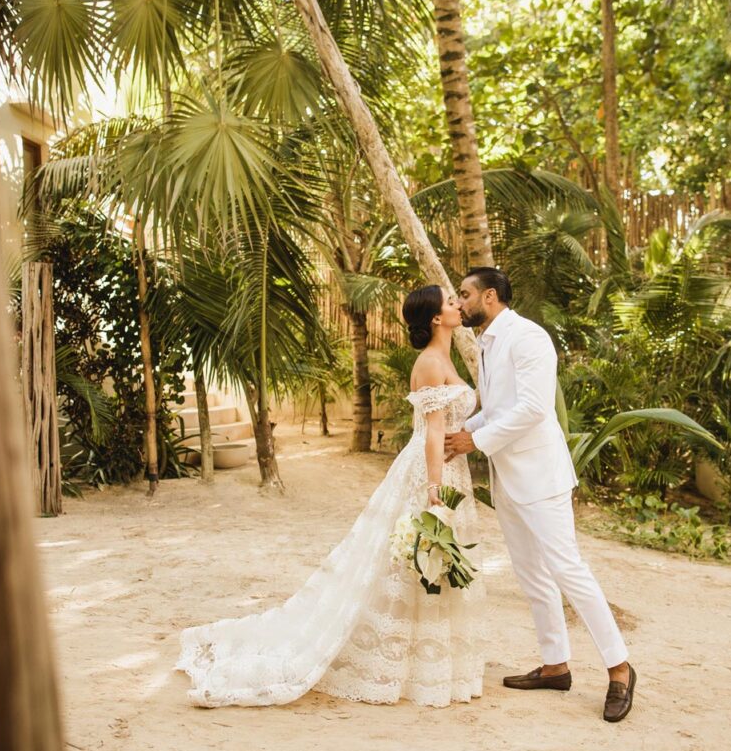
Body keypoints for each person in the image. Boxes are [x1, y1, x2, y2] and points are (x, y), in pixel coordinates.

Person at [176, 285, 485, 707]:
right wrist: (434, 492)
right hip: (431, 471)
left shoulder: (443, 356)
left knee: (424, 563)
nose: (457, 305)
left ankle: (423, 662)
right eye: (451, 302)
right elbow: (432, 433)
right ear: (435, 317)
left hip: (449, 467)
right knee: (415, 560)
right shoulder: (431, 362)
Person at [444, 266, 636, 723]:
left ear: (489, 296)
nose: (460, 301)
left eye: (465, 294)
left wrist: (476, 441)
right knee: (532, 575)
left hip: (541, 475)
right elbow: (494, 408)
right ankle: (556, 666)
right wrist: (458, 434)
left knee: (568, 570)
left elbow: (533, 409)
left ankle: (620, 668)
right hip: (507, 477)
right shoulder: (487, 342)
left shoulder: (528, 337)